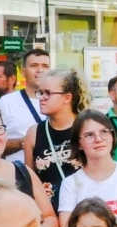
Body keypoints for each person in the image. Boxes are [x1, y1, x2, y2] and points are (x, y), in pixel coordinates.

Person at [22, 69, 84, 211]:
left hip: (84, 209)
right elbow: (30, 182)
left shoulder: (86, 127)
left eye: (48, 93)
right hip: (49, 213)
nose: (42, 98)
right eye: (40, 92)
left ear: (67, 97)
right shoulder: (34, 132)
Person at [0, 49, 52, 157]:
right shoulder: (7, 102)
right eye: (34, 66)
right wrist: (21, 142)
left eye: (45, 66)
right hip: (19, 167)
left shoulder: (60, 100)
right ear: (23, 72)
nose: (40, 70)